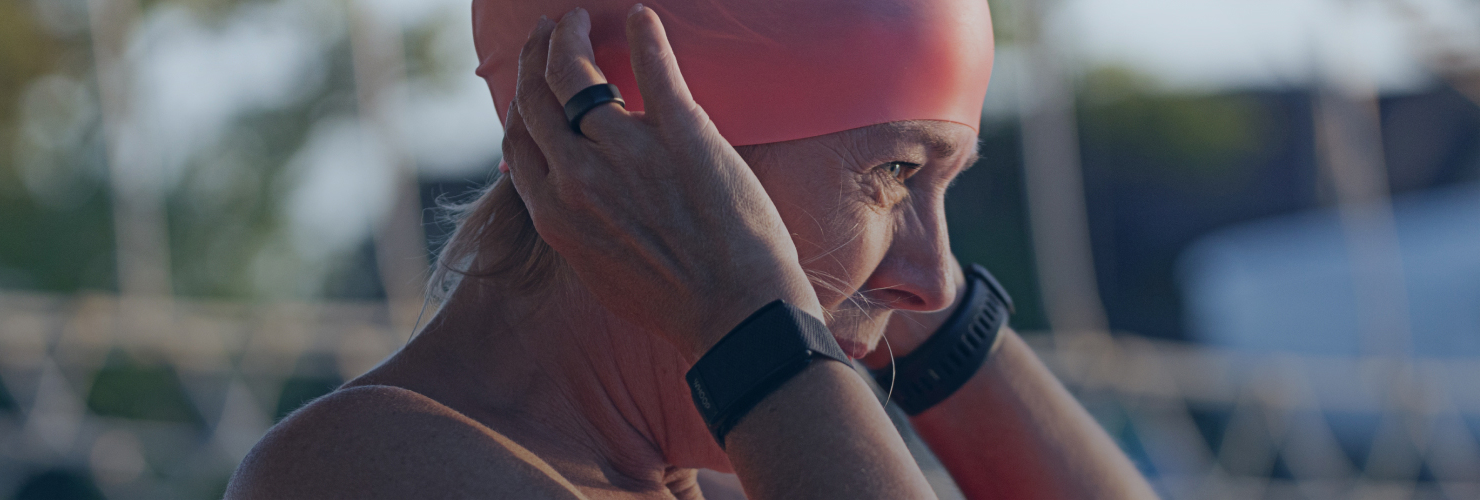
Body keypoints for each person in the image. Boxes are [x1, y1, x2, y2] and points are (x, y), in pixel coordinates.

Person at [228, 0, 1157, 498]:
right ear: (656, 153)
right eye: (895, 174)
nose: (929, 276)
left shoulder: (720, 466)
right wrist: (752, 317)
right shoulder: (368, 471)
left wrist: (944, 328)